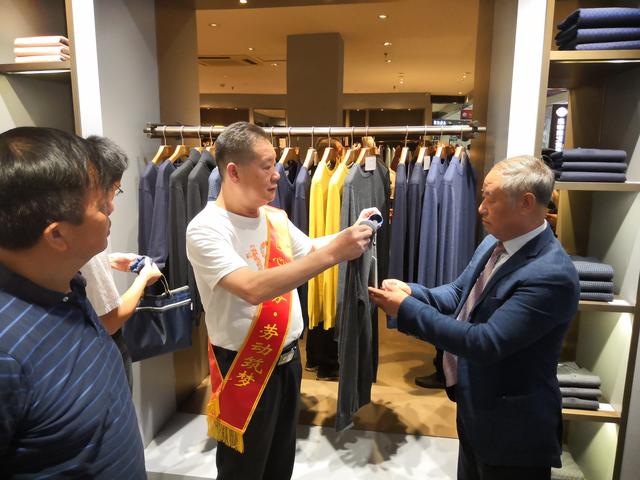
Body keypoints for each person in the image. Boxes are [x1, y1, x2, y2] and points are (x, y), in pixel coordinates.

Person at [369, 155, 580, 480]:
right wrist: (413, 292)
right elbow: (460, 294)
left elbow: (486, 342)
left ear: (526, 203)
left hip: (515, 431)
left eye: (490, 199)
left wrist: (407, 309)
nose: (480, 208)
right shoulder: (495, 243)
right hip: (476, 408)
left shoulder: (551, 275)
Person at [186, 121, 376, 480]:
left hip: (288, 361)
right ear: (233, 171)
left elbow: (309, 250)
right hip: (244, 364)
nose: (277, 175)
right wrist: (336, 252)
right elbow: (251, 287)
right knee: (244, 469)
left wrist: (351, 234)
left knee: (279, 462)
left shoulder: (274, 218)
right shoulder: (206, 228)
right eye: (267, 166)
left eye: (275, 164)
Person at [0, 127, 145, 477]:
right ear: (58, 235)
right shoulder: (7, 354)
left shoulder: (66, 284)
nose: (111, 208)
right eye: (101, 204)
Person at [80, 135, 162, 391]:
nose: (112, 206)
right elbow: (111, 320)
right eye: (115, 188)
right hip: (102, 349)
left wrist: (108, 261)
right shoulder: (87, 233)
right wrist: (143, 279)